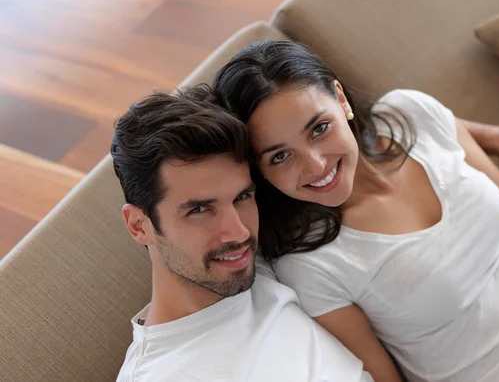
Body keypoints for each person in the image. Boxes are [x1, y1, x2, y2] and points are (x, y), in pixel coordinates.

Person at [213, 39, 499, 382]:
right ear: (259, 171)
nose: (315, 165)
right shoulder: (311, 264)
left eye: (318, 128)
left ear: (341, 99)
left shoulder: (412, 115)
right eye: (280, 156)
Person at [111, 84, 374, 381]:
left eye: (242, 197)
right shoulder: (162, 373)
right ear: (138, 225)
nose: (238, 233)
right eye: (198, 210)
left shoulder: (264, 266)